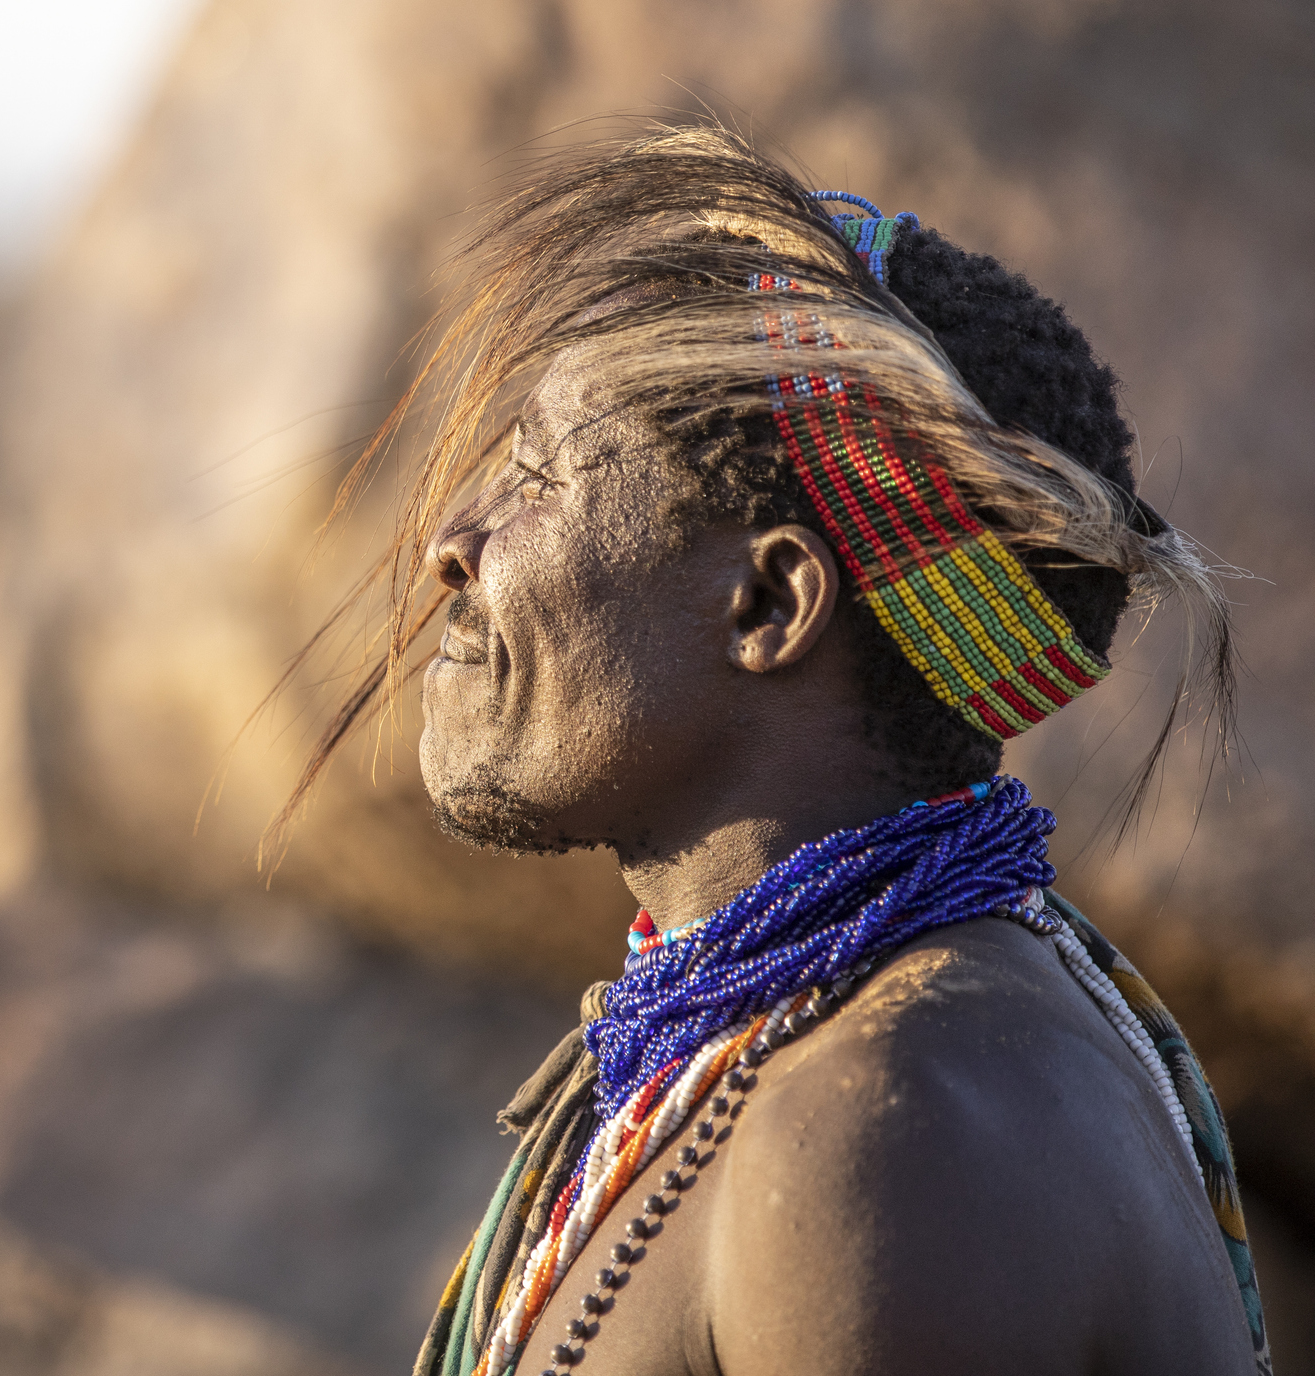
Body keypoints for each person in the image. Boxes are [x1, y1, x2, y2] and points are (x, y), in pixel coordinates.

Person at [284, 126, 1268, 1374]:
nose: (451, 541)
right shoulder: (848, 1061)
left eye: (535, 474)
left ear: (766, 605)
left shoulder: (887, 1133)